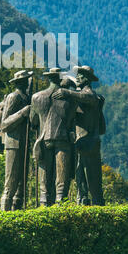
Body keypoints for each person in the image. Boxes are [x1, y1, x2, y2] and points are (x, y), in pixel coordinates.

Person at [52, 66, 105, 206]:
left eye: (80, 75)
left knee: (93, 183)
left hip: (90, 144)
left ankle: (98, 210)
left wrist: (67, 92)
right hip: (81, 144)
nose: (77, 78)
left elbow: (86, 96)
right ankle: (83, 208)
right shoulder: (82, 99)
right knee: (80, 183)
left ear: (86, 78)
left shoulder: (91, 96)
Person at [30, 68, 76, 206]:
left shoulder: (37, 97)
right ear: (60, 78)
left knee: (44, 178)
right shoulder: (70, 99)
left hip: (43, 140)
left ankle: (44, 204)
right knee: (62, 178)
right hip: (63, 140)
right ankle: (60, 205)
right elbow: (72, 119)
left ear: (48, 79)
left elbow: (33, 121)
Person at [0, 70, 32, 211]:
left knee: (21, 184)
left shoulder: (26, 97)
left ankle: (17, 213)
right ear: (20, 82)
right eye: (26, 79)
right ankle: (4, 213)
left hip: (23, 143)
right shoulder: (13, 97)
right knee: (11, 181)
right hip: (13, 143)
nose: (27, 81)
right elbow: (4, 124)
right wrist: (22, 113)